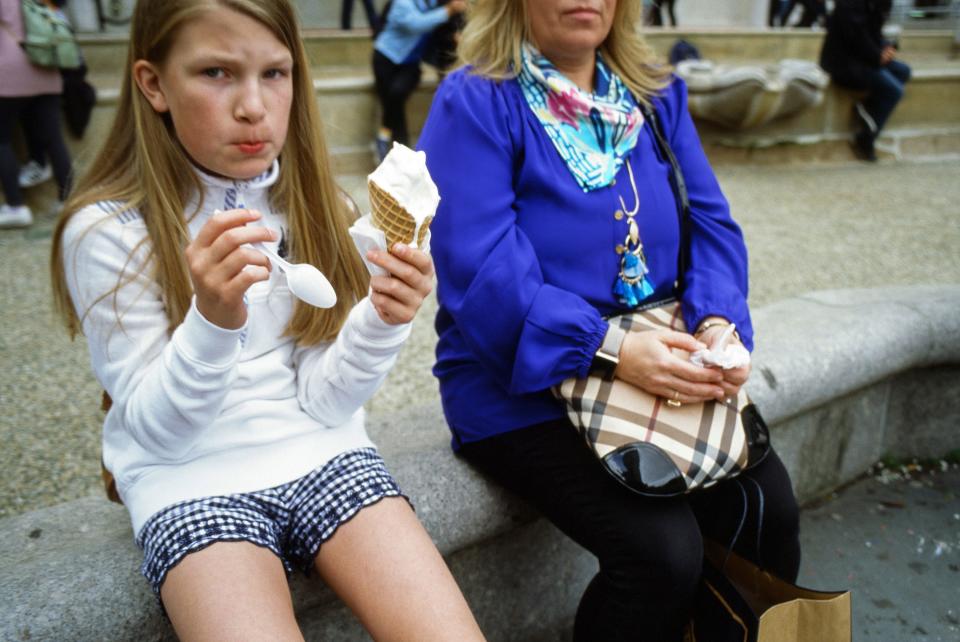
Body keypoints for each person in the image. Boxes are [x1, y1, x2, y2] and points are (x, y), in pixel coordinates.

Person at [49, 1, 485, 639]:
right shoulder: (109, 231)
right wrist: (215, 322)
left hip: (325, 450)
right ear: (152, 83)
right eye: (216, 73)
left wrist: (382, 320)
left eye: (274, 73)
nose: (252, 106)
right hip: (187, 478)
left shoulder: (318, 205)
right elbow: (155, 436)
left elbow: (326, 401)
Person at [417, 1, 801, 640]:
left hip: (660, 355)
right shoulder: (476, 102)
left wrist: (716, 325)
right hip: (522, 381)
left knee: (768, 512)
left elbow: (710, 223)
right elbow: (480, 269)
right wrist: (610, 348)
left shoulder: (655, 95)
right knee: (660, 556)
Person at [0, 0, 73, 228]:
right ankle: (68, 201)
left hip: (9, 73)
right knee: (54, 139)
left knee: (1, 139)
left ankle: (16, 207)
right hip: (46, 68)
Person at [371, 0, 466, 160]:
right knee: (395, 103)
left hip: (411, 65)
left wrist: (458, 34)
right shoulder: (403, 3)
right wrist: (447, 11)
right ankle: (402, 154)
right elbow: (415, 24)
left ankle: (384, 136)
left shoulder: (436, 4)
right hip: (385, 58)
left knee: (396, 93)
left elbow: (446, 30)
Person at [820, 0, 910, 162]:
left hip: (863, 58)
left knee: (903, 71)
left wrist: (885, 48)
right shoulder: (850, 5)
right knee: (894, 91)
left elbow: (873, 33)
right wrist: (878, 55)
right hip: (844, 63)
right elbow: (855, 37)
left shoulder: (874, 4)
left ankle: (868, 114)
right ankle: (865, 139)